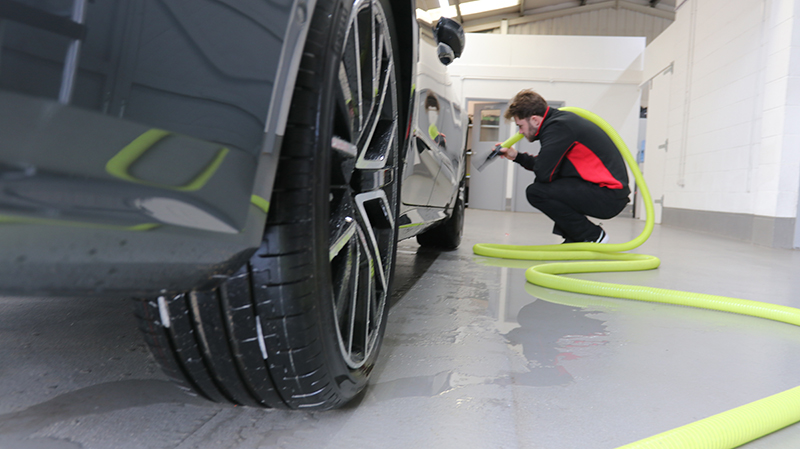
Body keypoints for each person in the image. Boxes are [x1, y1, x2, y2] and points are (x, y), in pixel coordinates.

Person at [499, 90, 630, 243]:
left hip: (608, 196)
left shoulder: (558, 127)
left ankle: (592, 236)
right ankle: (576, 236)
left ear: (534, 120)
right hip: (604, 192)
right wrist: (517, 157)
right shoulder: (560, 123)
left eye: (520, 126)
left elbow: (544, 173)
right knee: (547, 186)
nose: (520, 132)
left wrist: (539, 167)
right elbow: (547, 166)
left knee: (537, 191)